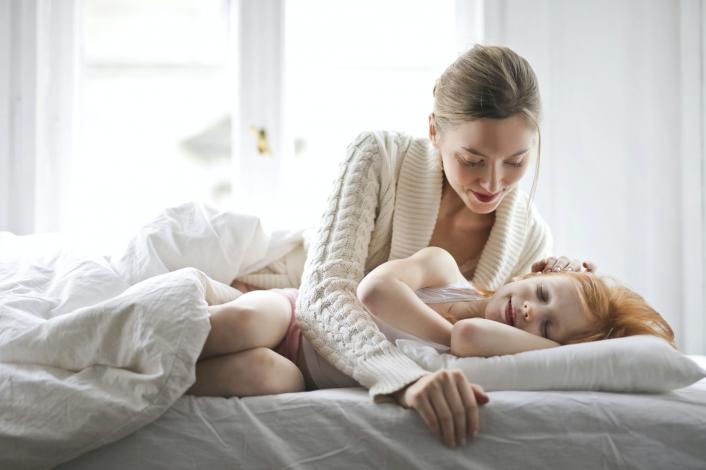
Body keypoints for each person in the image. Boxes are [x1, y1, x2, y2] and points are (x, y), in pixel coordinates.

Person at [234, 43, 591, 447]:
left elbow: (502, 339)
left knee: (262, 374)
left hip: (299, 370)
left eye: (516, 161)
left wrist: (572, 290)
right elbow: (324, 294)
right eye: (473, 160)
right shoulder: (379, 156)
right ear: (435, 132)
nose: (493, 184)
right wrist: (401, 377)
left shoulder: (530, 237)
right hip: (280, 305)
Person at [190, 246, 674, 450]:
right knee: (249, 321)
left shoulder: (493, 344)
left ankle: (160, 379)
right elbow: (375, 293)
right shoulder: (447, 275)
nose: (531, 313)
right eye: (541, 295)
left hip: (304, 374)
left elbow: (471, 338)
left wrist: (539, 341)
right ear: (534, 273)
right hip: (302, 318)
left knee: (264, 377)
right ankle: (159, 342)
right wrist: (449, 336)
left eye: (547, 329)